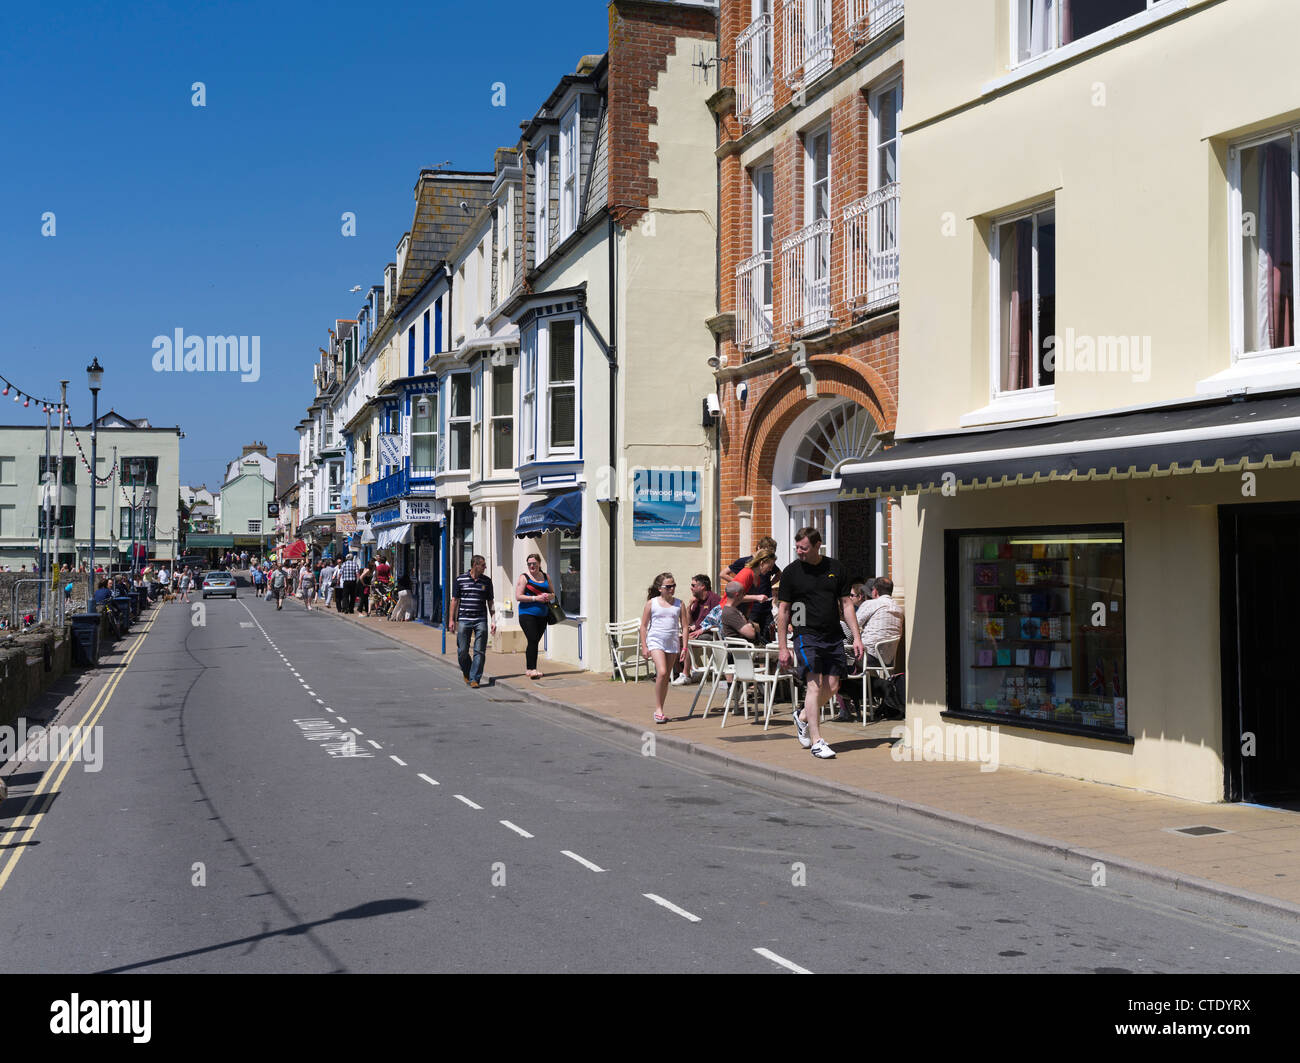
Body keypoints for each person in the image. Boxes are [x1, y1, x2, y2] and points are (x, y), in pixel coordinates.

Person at [777, 526, 863, 760]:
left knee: (833, 686)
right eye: (797, 548)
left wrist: (856, 637)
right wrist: (783, 646)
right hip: (806, 635)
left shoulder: (836, 568)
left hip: (833, 635)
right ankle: (817, 740)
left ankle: (802, 716)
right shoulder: (791, 572)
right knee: (814, 684)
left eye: (803, 548)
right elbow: (783, 610)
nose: (799, 552)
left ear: (817, 546)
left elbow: (846, 605)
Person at [639, 572, 688, 725]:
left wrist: (685, 648)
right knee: (662, 671)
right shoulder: (651, 603)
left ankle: (661, 708)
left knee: (666, 678)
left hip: (672, 642)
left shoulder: (679, 604)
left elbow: (685, 627)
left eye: (673, 586)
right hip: (656, 641)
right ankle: (658, 709)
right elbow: (643, 626)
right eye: (668, 586)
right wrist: (644, 646)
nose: (672, 589)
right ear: (660, 588)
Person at [451, 555, 497, 688]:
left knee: (479, 651)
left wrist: (493, 620)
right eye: (483, 565)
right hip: (464, 619)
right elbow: (454, 600)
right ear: (475, 565)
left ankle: (475, 679)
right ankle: (467, 671)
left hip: (480, 620)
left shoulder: (487, 581)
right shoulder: (460, 580)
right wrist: (451, 620)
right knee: (462, 651)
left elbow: (490, 602)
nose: (485, 567)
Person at [675, 574, 722, 685]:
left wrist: (702, 630)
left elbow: (719, 622)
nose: (691, 588)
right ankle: (688, 671)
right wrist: (689, 605)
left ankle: (686, 674)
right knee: (674, 641)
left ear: (703, 587)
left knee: (685, 641)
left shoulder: (714, 599)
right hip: (697, 632)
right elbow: (688, 621)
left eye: (693, 585)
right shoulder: (697, 601)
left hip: (711, 635)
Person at [514, 553, 553, 679]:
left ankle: (531, 669)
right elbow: (518, 596)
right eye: (529, 564)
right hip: (527, 614)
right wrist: (536, 598)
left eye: (534, 563)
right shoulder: (524, 577)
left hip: (543, 614)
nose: (532, 566)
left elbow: (553, 593)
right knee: (532, 638)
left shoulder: (546, 576)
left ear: (539, 563)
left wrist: (548, 596)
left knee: (534, 641)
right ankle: (531, 669)